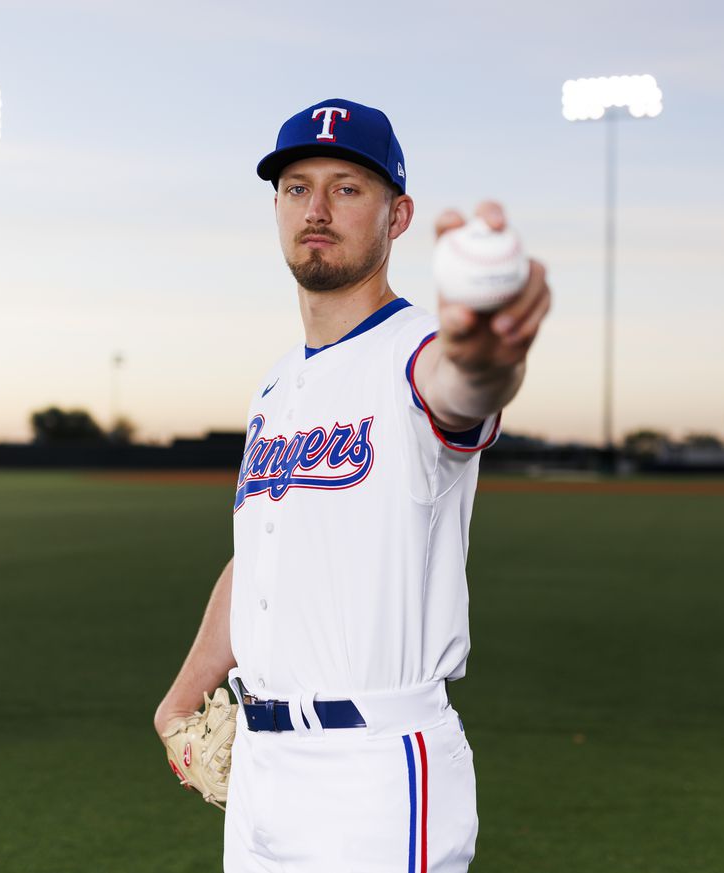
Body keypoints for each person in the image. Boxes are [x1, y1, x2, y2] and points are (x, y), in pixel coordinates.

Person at [154, 97, 551, 873]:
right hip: (262, 776)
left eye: (348, 187)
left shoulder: (418, 353)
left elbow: (466, 385)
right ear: (276, 207)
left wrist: (489, 353)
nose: (318, 208)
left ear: (398, 215)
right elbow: (258, 558)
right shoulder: (274, 389)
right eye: (297, 187)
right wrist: (179, 698)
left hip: (375, 771)